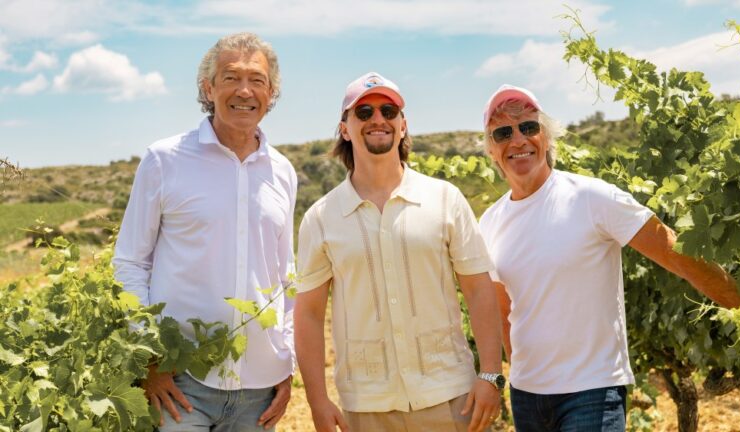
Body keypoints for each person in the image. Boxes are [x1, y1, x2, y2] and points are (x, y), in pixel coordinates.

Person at [477, 85, 740, 432]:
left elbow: (677, 254)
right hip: (527, 397)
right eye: (503, 132)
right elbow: (503, 310)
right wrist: (514, 374)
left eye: (529, 127)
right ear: (491, 150)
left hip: (590, 392)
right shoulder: (489, 222)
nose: (518, 140)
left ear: (546, 138)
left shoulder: (593, 198)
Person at [294, 72, 504, 432]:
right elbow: (309, 314)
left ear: (403, 125)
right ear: (344, 128)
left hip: (452, 398)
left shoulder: (445, 199)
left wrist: (490, 374)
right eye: (363, 112)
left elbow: (479, 289)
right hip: (367, 406)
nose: (378, 119)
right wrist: (317, 400)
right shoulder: (320, 218)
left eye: (389, 111)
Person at [113, 32, 297, 431]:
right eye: (231, 77)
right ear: (208, 88)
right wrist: (149, 358)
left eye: (257, 80)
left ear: (271, 93)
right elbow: (129, 262)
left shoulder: (283, 172)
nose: (244, 90)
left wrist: (288, 363)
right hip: (179, 385)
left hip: (259, 391)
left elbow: (285, 278)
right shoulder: (164, 160)